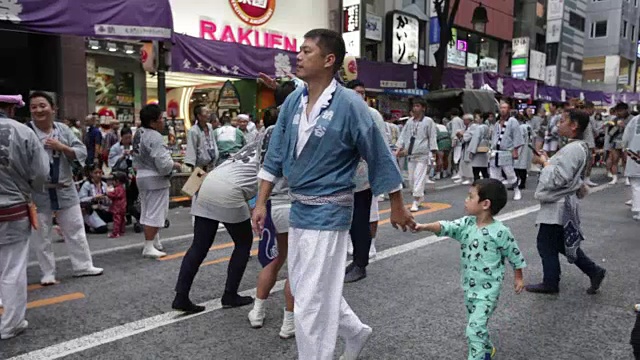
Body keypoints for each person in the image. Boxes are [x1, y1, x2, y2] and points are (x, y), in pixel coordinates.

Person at [253, 28, 414, 360]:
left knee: (309, 300)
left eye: (306, 51)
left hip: (330, 211)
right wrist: (261, 200)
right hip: (299, 209)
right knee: (307, 288)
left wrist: (396, 203)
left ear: (329, 60)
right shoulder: (292, 104)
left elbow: (379, 153)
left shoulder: (350, 105)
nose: (298, 55)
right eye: (299, 49)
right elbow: (275, 154)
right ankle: (355, 331)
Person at [414, 178, 525, 360]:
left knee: (473, 329)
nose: (466, 200)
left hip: (488, 291)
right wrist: (424, 226)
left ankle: (480, 356)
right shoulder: (467, 224)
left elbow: (514, 254)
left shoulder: (500, 231)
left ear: (485, 204)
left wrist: (518, 277)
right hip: (469, 288)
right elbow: (446, 227)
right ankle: (487, 348)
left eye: (470, 196)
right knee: (477, 325)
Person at [173, 127, 275, 313]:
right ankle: (230, 294)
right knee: (243, 242)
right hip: (229, 191)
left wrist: (189, 190)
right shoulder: (274, 154)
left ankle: (181, 296)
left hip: (206, 182)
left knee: (199, 246)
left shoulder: (251, 146)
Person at [526, 109, 607, 294]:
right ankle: (594, 271)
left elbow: (559, 178)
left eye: (562, 120)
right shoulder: (577, 147)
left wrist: (544, 163)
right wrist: (546, 160)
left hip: (559, 203)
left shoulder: (573, 149)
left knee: (545, 243)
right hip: (563, 202)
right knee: (561, 244)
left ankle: (551, 282)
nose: (558, 124)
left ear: (574, 125)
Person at [27, 92, 103, 285]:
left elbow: (81, 152)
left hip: (65, 188)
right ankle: (48, 272)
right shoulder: (26, 131)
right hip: (39, 191)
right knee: (41, 235)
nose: (38, 110)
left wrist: (62, 147)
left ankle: (83, 265)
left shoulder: (63, 130)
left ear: (53, 109)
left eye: (42, 105)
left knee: (75, 228)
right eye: (34, 107)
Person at [247, 80, 297, 338]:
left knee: (273, 258)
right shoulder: (297, 127)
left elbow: (260, 167)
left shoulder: (264, 132)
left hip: (268, 202)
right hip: (294, 202)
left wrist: (259, 202)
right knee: (296, 265)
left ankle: (257, 310)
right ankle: (288, 321)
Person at [0, 92, 49, 340]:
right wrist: (32, 188)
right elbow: (40, 171)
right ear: (10, 109)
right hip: (12, 208)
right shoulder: (23, 132)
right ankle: (10, 324)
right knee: (12, 268)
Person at [343, 79, 390, 283]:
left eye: (362, 92)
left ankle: (361, 263)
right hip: (344, 177)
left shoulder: (373, 115)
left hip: (364, 177)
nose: (360, 96)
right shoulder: (344, 112)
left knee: (361, 220)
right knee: (351, 222)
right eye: (356, 92)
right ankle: (356, 260)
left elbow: (381, 147)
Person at [132, 104, 182, 259]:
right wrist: (174, 165)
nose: (163, 122)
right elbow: (163, 162)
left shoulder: (139, 133)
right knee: (156, 212)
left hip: (141, 175)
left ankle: (154, 242)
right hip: (155, 178)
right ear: (153, 122)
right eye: (161, 119)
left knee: (148, 211)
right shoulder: (155, 136)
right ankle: (148, 245)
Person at [396, 98, 439, 212]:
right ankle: (419, 197)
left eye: (418, 106)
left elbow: (432, 136)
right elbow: (403, 136)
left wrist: (433, 152)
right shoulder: (409, 122)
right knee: (411, 179)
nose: (415, 108)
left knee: (419, 177)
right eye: (414, 106)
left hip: (423, 154)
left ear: (423, 108)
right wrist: (398, 149)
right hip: (410, 154)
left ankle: (415, 201)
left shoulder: (428, 121)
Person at [490, 102, 523, 201]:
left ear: (508, 109)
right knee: (494, 175)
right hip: (495, 151)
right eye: (501, 108)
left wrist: (515, 150)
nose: (503, 110)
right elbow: (493, 137)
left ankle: (516, 189)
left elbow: (517, 135)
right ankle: (496, 194)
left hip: (506, 151)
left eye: (505, 108)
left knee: (509, 173)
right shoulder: (497, 122)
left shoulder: (513, 121)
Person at [185, 104, 218, 172]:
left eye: (209, 112)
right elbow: (191, 148)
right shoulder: (193, 131)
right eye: (206, 112)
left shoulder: (210, 127)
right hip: (201, 167)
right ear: (199, 116)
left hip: (212, 165)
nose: (209, 115)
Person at [79, 165, 111, 234]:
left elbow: (109, 200)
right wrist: (94, 198)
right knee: (102, 229)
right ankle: (87, 223)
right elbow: (81, 199)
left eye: (100, 173)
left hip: (103, 209)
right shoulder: (87, 184)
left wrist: (106, 198)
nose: (98, 175)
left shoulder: (104, 184)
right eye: (96, 173)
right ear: (91, 174)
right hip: (91, 210)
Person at [622, 112, 640, 220]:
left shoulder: (635, 120)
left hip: (635, 153)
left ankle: (638, 209)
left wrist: (624, 147)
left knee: (636, 184)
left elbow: (626, 137)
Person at [464, 113, 491, 181]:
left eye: (477, 118)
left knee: (476, 171)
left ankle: (477, 185)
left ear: (481, 119)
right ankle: (487, 184)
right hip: (485, 148)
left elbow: (475, 139)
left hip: (477, 150)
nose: (475, 119)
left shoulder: (479, 128)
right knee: (484, 171)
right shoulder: (487, 127)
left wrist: (471, 151)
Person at [513, 113, 533, 190]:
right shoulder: (528, 126)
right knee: (523, 166)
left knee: (518, 166)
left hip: (521, 147)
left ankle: (519, 183)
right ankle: (522, 182)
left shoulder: (520, 128)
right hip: (528, 146)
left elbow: (519, 139)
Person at [107, 172, 127, 238]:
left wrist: (107, 193)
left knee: (117, 220)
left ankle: (115, 233)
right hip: (123, 206)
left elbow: (113, 195)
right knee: (122, 220)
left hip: (117, 207)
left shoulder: (117, 189)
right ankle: (121, 231)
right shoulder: (123, 188)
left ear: (117, 181)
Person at [449, 108, 466, 181]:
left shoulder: (454, 120)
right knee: (459, 156)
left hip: (457, 139)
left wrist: (454, 140)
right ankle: (459, 172)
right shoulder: (461, 120)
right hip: (461, 139)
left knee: (456, 158)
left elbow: (454, 131)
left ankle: (458, 173)